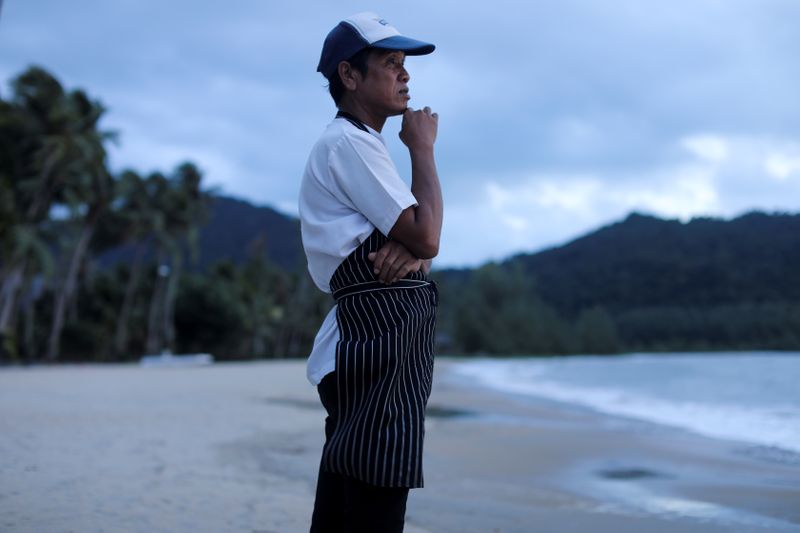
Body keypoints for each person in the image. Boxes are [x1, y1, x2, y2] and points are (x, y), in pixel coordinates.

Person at [298, 12, 443, 533]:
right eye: (390, 63)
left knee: (344, 509)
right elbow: (427, 234)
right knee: (373, 507)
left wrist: (415, 251)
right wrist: (422, 148)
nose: (404, 75)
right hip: (373, 344)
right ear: (349, 75)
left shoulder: (361, 145)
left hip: (371, 344)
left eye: (404, 65)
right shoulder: (351, 144)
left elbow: (421, 245)